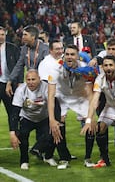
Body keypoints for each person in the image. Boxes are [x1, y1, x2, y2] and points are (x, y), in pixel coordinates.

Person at [47, 45, 97, 169]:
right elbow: (51, 95)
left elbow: (91, 94)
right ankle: (64, 158)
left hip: (81, 97)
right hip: (62, 97)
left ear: (77, 56)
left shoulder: (86, 69)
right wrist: (52, 119)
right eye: (67, 54)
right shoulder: (55, 68)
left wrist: (91, 117)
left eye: (72, 54)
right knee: (58, 124)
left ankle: (88, 158)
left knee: (90, 124)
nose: (69, 57)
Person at [9, 70, 57, 170]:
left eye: (33, 79)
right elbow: (15, 112)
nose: (31, 82)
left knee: (54, 132)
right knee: (22, 136)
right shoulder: (21, 90)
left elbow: (54, 103)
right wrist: (12, 132)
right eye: (28, 80)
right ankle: (24, 161)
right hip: (27, 117)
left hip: (44, 117)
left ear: (39, 79)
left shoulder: (46, 87)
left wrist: (55, 120)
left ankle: (48, 156)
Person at [38, 40, 74, 169]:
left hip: (61, 98)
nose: (60, 51)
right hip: (52, 99)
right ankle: (43, 150)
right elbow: (45, 84)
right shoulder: (45, 64)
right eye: (57, 49)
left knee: (60, 126)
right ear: (50, 50)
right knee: (57, 126)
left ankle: (63, 155)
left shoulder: (60, 61)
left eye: (61, 48)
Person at [6, 25, 48, 97]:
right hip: (30, 82)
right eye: (23, 35)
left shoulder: (45, 49)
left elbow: (48, 68)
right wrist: (10, 81)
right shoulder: (24, 49)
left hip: (43, 83)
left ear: (33, 37)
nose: (23, 37)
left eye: (25, 35)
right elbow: (18, 66)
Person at [0, 26, 22, 131]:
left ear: (6, 35)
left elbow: (20, 65)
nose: (1, 37)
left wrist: (20, 82)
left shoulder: (13, 48)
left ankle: (14, 133)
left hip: (9, 84)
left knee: (12, 111)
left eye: (2, 35)